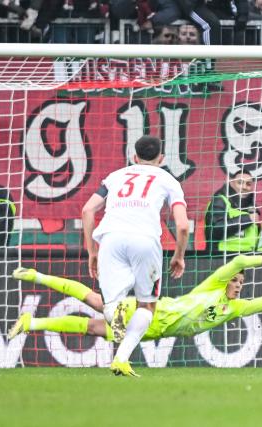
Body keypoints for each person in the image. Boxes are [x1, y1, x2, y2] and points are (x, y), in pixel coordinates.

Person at [8, 246, 262, 350]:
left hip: (154, 332)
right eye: (237, 282)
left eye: (241, 283)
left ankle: (30, 323)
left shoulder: (235, 307)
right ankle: (38, 276)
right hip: (150, 311)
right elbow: (239, 260)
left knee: (94, 328)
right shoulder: (212, 287)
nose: (239, 285)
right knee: (97, 303)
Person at [81, 135, 189, 377]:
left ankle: (113, 315)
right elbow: (182, 226)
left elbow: (87, 210)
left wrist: (92, 251)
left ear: (133, 157)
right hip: (145, 241)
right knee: (147, 304)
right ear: (161, 159)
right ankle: (121, 357)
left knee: (110, 304)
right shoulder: (168, 180)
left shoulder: (116, 176)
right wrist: (179, 255)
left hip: (110, 238)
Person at [204, 168, 260, 254]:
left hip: (247, 258)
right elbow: (214, 230)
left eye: (248, 184)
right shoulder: (220, 200)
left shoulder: (252, 208)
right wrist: (247, 219)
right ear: (231, 183)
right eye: (240, 182)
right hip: (223, 256)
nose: (244, 187)